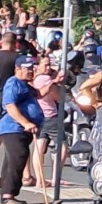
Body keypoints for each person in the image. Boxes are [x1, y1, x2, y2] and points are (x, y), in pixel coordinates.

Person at [0, 56, 45, 204]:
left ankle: (9, 194)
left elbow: (39, 94)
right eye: (27, 68)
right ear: (18, 69)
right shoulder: (13, 83)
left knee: (15, 159)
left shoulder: (26, 85)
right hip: (13, 128)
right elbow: (10, 106)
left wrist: (55, 80)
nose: (31, 71)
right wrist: (26, 122)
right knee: (17, 158)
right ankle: (7, 198)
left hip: (22, 130)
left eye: (32, 68)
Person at [0, 33, 25, 189]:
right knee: (16, 139)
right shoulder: (17, 58)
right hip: (12, 99)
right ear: (15, 43)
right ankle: (25, 176)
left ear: (1, 42)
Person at [30, 55, 68, 187]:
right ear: (38, 66)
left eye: (49, 65)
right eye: (45, 65)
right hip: (51, 115)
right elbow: (58, 98)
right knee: (62, 146)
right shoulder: (46, 79)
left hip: (38, 116)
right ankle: (55, 178)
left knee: (39, 146)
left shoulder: (33, 79)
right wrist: (56, 82)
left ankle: (40, 179)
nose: (48, 68)